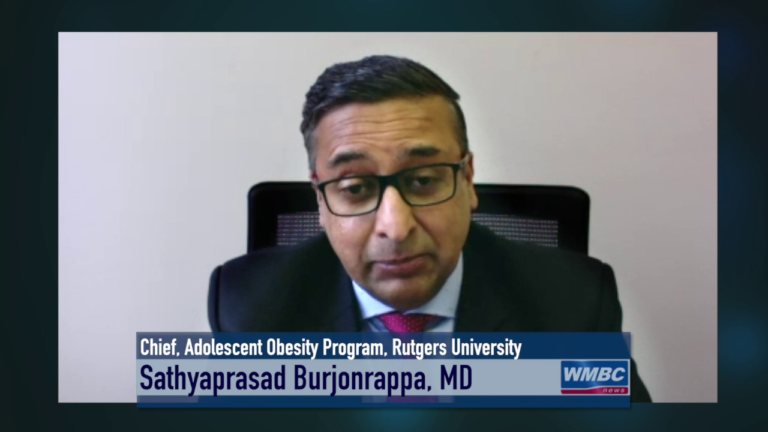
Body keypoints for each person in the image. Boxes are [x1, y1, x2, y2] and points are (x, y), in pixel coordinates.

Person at [208, 55, 652, 402]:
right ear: (320, 202)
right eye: (356, 188)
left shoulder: (572, 306)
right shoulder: (249, 309)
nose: (396, 228)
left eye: (423, 181)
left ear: (468, 180)